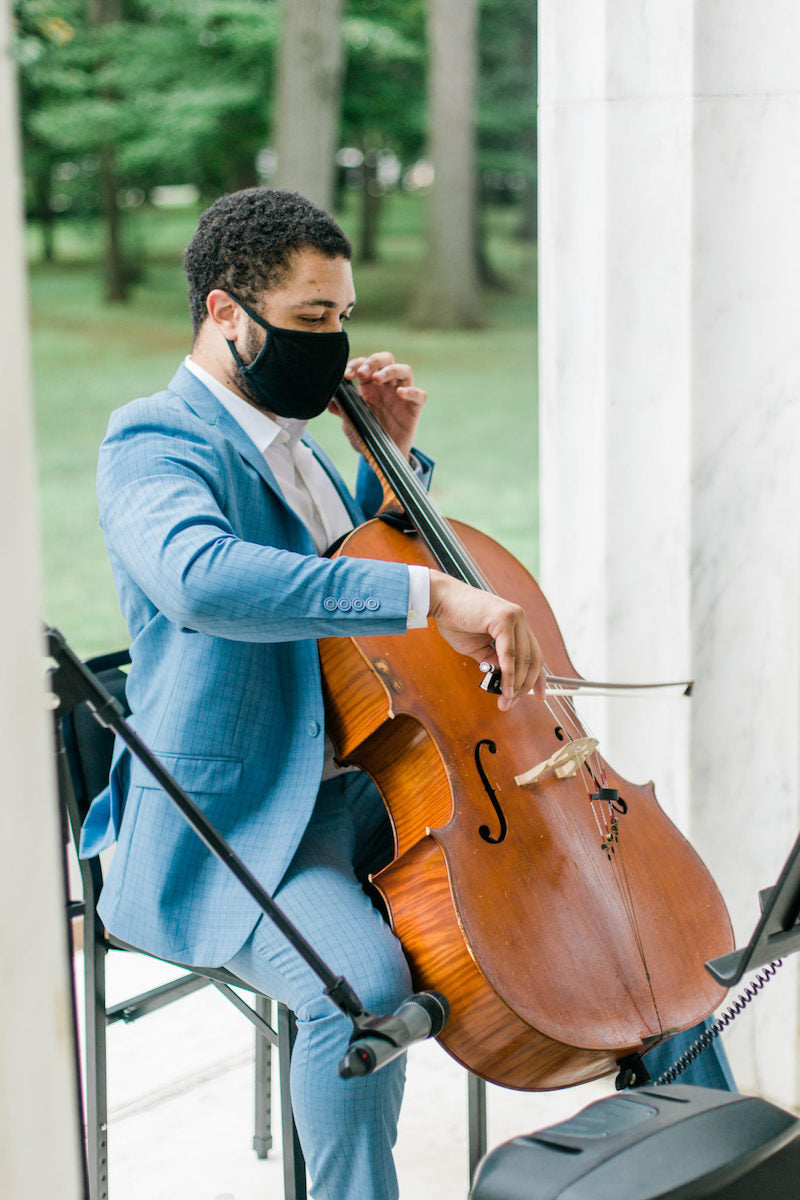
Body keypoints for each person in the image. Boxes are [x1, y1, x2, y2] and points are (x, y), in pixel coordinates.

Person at [80, 187, 732, 1200]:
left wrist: (390, 470)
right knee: (360, 991)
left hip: (368, 796)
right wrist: (429, 590)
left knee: (644, 924)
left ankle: (715, 1160)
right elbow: (202, 578)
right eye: (309, 321)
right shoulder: (153, 443)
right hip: (242, 822)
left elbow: (344, 612)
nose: (333, 346)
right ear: (223, 313)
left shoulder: (293, 444)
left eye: (342, 318)